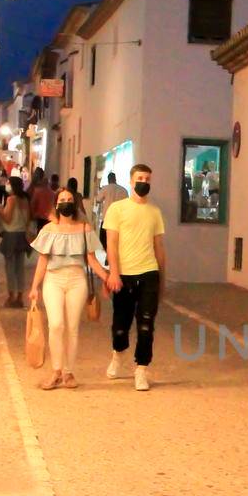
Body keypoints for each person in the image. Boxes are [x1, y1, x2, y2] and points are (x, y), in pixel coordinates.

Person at [28, 188, 108, 390]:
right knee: (56, 325)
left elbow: (91, 259)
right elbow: (43, 259)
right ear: (56, 204)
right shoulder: (48, 230)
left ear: (75, 203)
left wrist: (107, 277)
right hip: (53, 280)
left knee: (72, 328)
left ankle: (68, 372)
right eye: (62, 199)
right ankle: (56, 370)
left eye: (70, 199)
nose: (66, 202)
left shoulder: (84, 228)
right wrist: (34, 287)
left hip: (77, 280)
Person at [104, 162, 166, 390]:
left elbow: (159, 247)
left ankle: (141, 369)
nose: (143, 183)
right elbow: (111, 243)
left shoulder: (155, 212)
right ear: (131, 181)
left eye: (147, 180)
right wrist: (113, 273)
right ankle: (118, 355)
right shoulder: (117, 209)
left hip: (149, 273)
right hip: (124, 276)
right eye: (140, 179)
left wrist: (163, 279)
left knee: (146, 325)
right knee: (121, 324)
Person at [0, 175, 33, 307]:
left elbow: (7, 218)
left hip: (11, 235)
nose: (6, 185)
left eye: (8, 183)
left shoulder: (11, 199)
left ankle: (11, 295)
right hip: (21, 235)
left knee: (10, 268)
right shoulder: (25, 200)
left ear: (12, 186)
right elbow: (28, 219)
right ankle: (20, 296)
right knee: (20, 267)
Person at [93, 170, 127, 247]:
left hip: (107, 218)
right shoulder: (123, 190)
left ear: (108, 179)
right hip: (120, 219)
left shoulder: (105, 188)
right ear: (115, 179)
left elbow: (98, 200)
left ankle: (108, 254)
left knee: (104, 240)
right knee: (117, 241)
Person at [28, 168, 56, 235]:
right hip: (48, 218)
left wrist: (32, 215)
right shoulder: (52, 193)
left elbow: (32, 204)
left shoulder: (34, 189)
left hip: (37, 218)